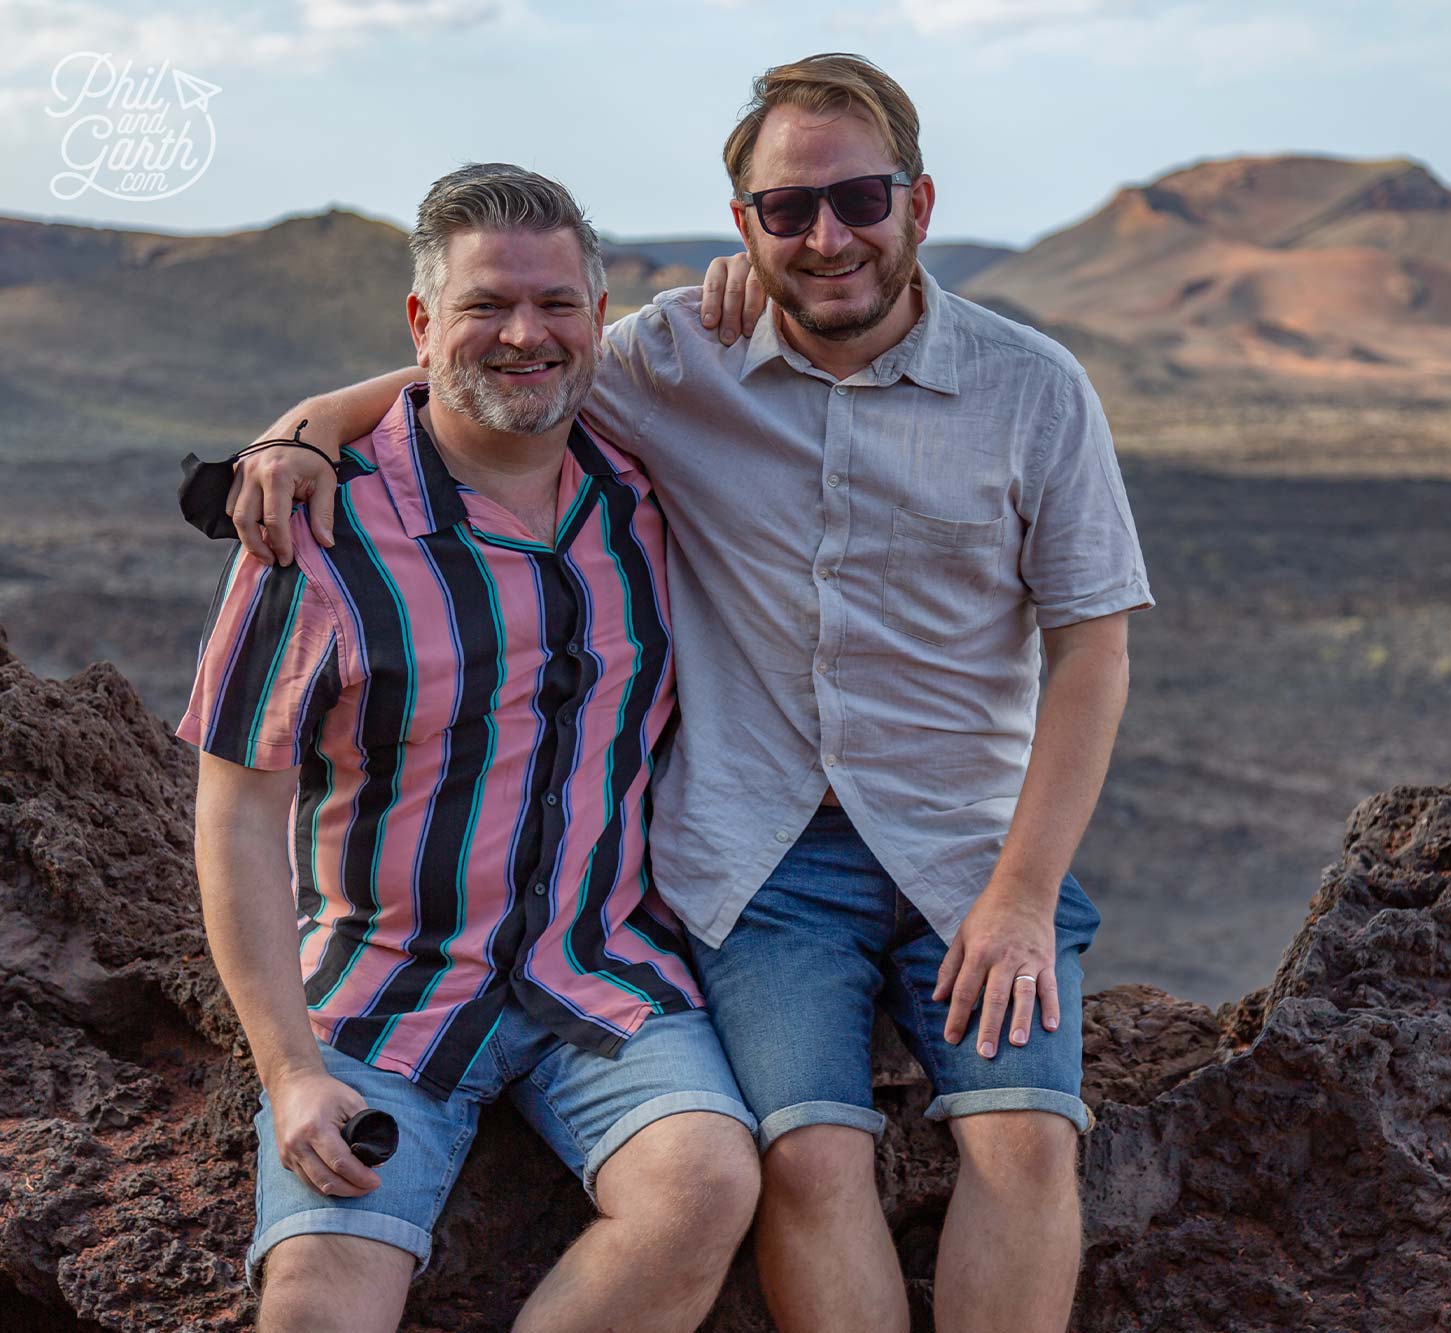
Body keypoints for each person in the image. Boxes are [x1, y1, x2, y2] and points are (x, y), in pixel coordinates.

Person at [204, 53, 1152, 1333]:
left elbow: (1091, 646)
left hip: (925, 854)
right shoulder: (648, 369)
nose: (827, 236)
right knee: (805, 1157)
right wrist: (306, 429)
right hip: (700, 872)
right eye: (786, 210)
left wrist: (1025, 896)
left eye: (860, 200)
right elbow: (486, 376)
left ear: (918, 205)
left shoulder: (1023, 389)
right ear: (744, 227)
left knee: (1017, 1138)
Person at [181, 163, 761, 1333]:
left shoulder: (648, 491)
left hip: (602, 973)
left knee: (706, 1181)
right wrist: (291, 1070)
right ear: (421, 323)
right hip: (383, 993)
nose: (524, 334)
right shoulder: (322, 536)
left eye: (556, 305)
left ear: (598, 319)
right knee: (316, 1311)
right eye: (485, 304)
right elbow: (237, 812)